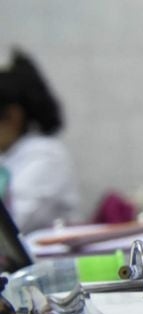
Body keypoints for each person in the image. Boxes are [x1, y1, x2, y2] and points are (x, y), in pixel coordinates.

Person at [0, 49, 80, 232]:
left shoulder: (45, 155)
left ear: (12, 116)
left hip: (55, 258)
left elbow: (12, 223)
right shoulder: (7, 157)